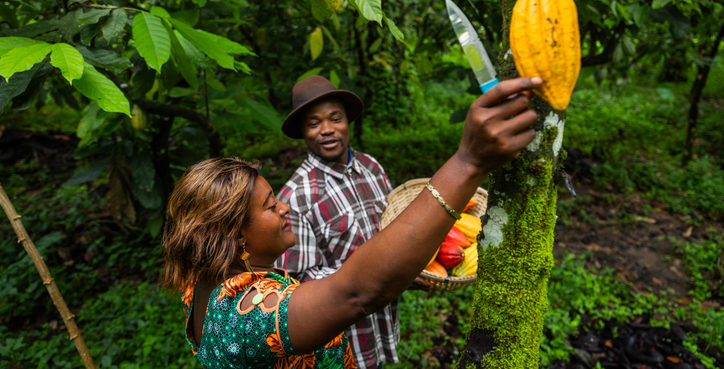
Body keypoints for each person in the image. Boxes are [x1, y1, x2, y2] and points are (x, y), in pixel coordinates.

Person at [162, 77, 542, 369]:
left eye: (335, 118)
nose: (283, 208)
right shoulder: (246, 318)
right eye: (269, 204)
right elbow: (355, 292)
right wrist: (469, 162)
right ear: (235, 234)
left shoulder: (204, 281)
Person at [274, 75, 399, 368]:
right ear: (304, 132)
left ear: (347, 123)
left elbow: (393, 228)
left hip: (381, 324)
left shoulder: (372, 167)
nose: (327, 130)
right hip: (343, 344)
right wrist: (369, 279)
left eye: (335, 119)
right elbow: (296, 283)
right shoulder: (295, 197)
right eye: (314, 123)